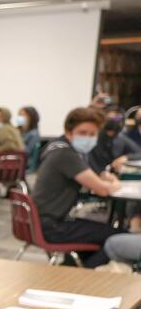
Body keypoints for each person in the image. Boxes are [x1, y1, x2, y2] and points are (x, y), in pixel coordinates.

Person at [30, 107, 120, 267]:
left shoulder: (59, 148)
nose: (88, 138)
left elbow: (92, 175)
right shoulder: (66, 154)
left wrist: (103, 179)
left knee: (101, 232)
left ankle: (71, 268)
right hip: (51, 226)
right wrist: (115, 183)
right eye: (83, 133)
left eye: (92, 134)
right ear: (69, 132)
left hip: (42, 221)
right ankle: (80, 274)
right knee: (117, 238)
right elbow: (102, 189)